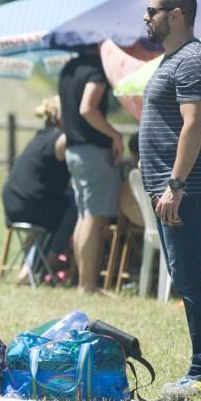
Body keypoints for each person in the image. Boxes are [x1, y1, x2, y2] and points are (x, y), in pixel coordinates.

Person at [140, 0, 201, 401]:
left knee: (192, 279)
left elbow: (194, 125)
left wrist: (175, 185)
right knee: (187, 277)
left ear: (176, 15)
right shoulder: (174, 60)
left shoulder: (191, 60)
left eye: (152, 10)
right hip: (171, 188)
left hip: (183, 189)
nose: (145, 17)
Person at [58, 44, 124, 294]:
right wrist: (115, 134)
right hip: (94, 153)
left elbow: (66, 115)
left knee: (84, 216)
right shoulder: (96, 69)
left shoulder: (67, 69)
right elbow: (88, 108)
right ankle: (87, 284)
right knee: (94, 219)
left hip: (74, 150)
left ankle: (82, 280)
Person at [1, 96, 76, 285]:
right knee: (74, 204)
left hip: (13, 203)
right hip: (33, 207)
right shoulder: (62, 140)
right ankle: (48, 261)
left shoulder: (41, 136)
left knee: (60, 204)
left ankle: (31, 265)